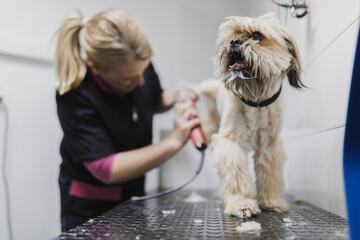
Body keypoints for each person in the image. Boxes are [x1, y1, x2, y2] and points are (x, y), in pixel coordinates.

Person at [55, 8, 200, 231]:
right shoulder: (75, 93)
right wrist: (174, 140)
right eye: (128, 79)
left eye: (142, 72)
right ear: (96, 68)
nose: (141, 81)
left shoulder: (138, 64)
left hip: (133, 197)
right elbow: (106, 168)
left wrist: (178, 95)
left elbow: (153, 99)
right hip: (91, 207)